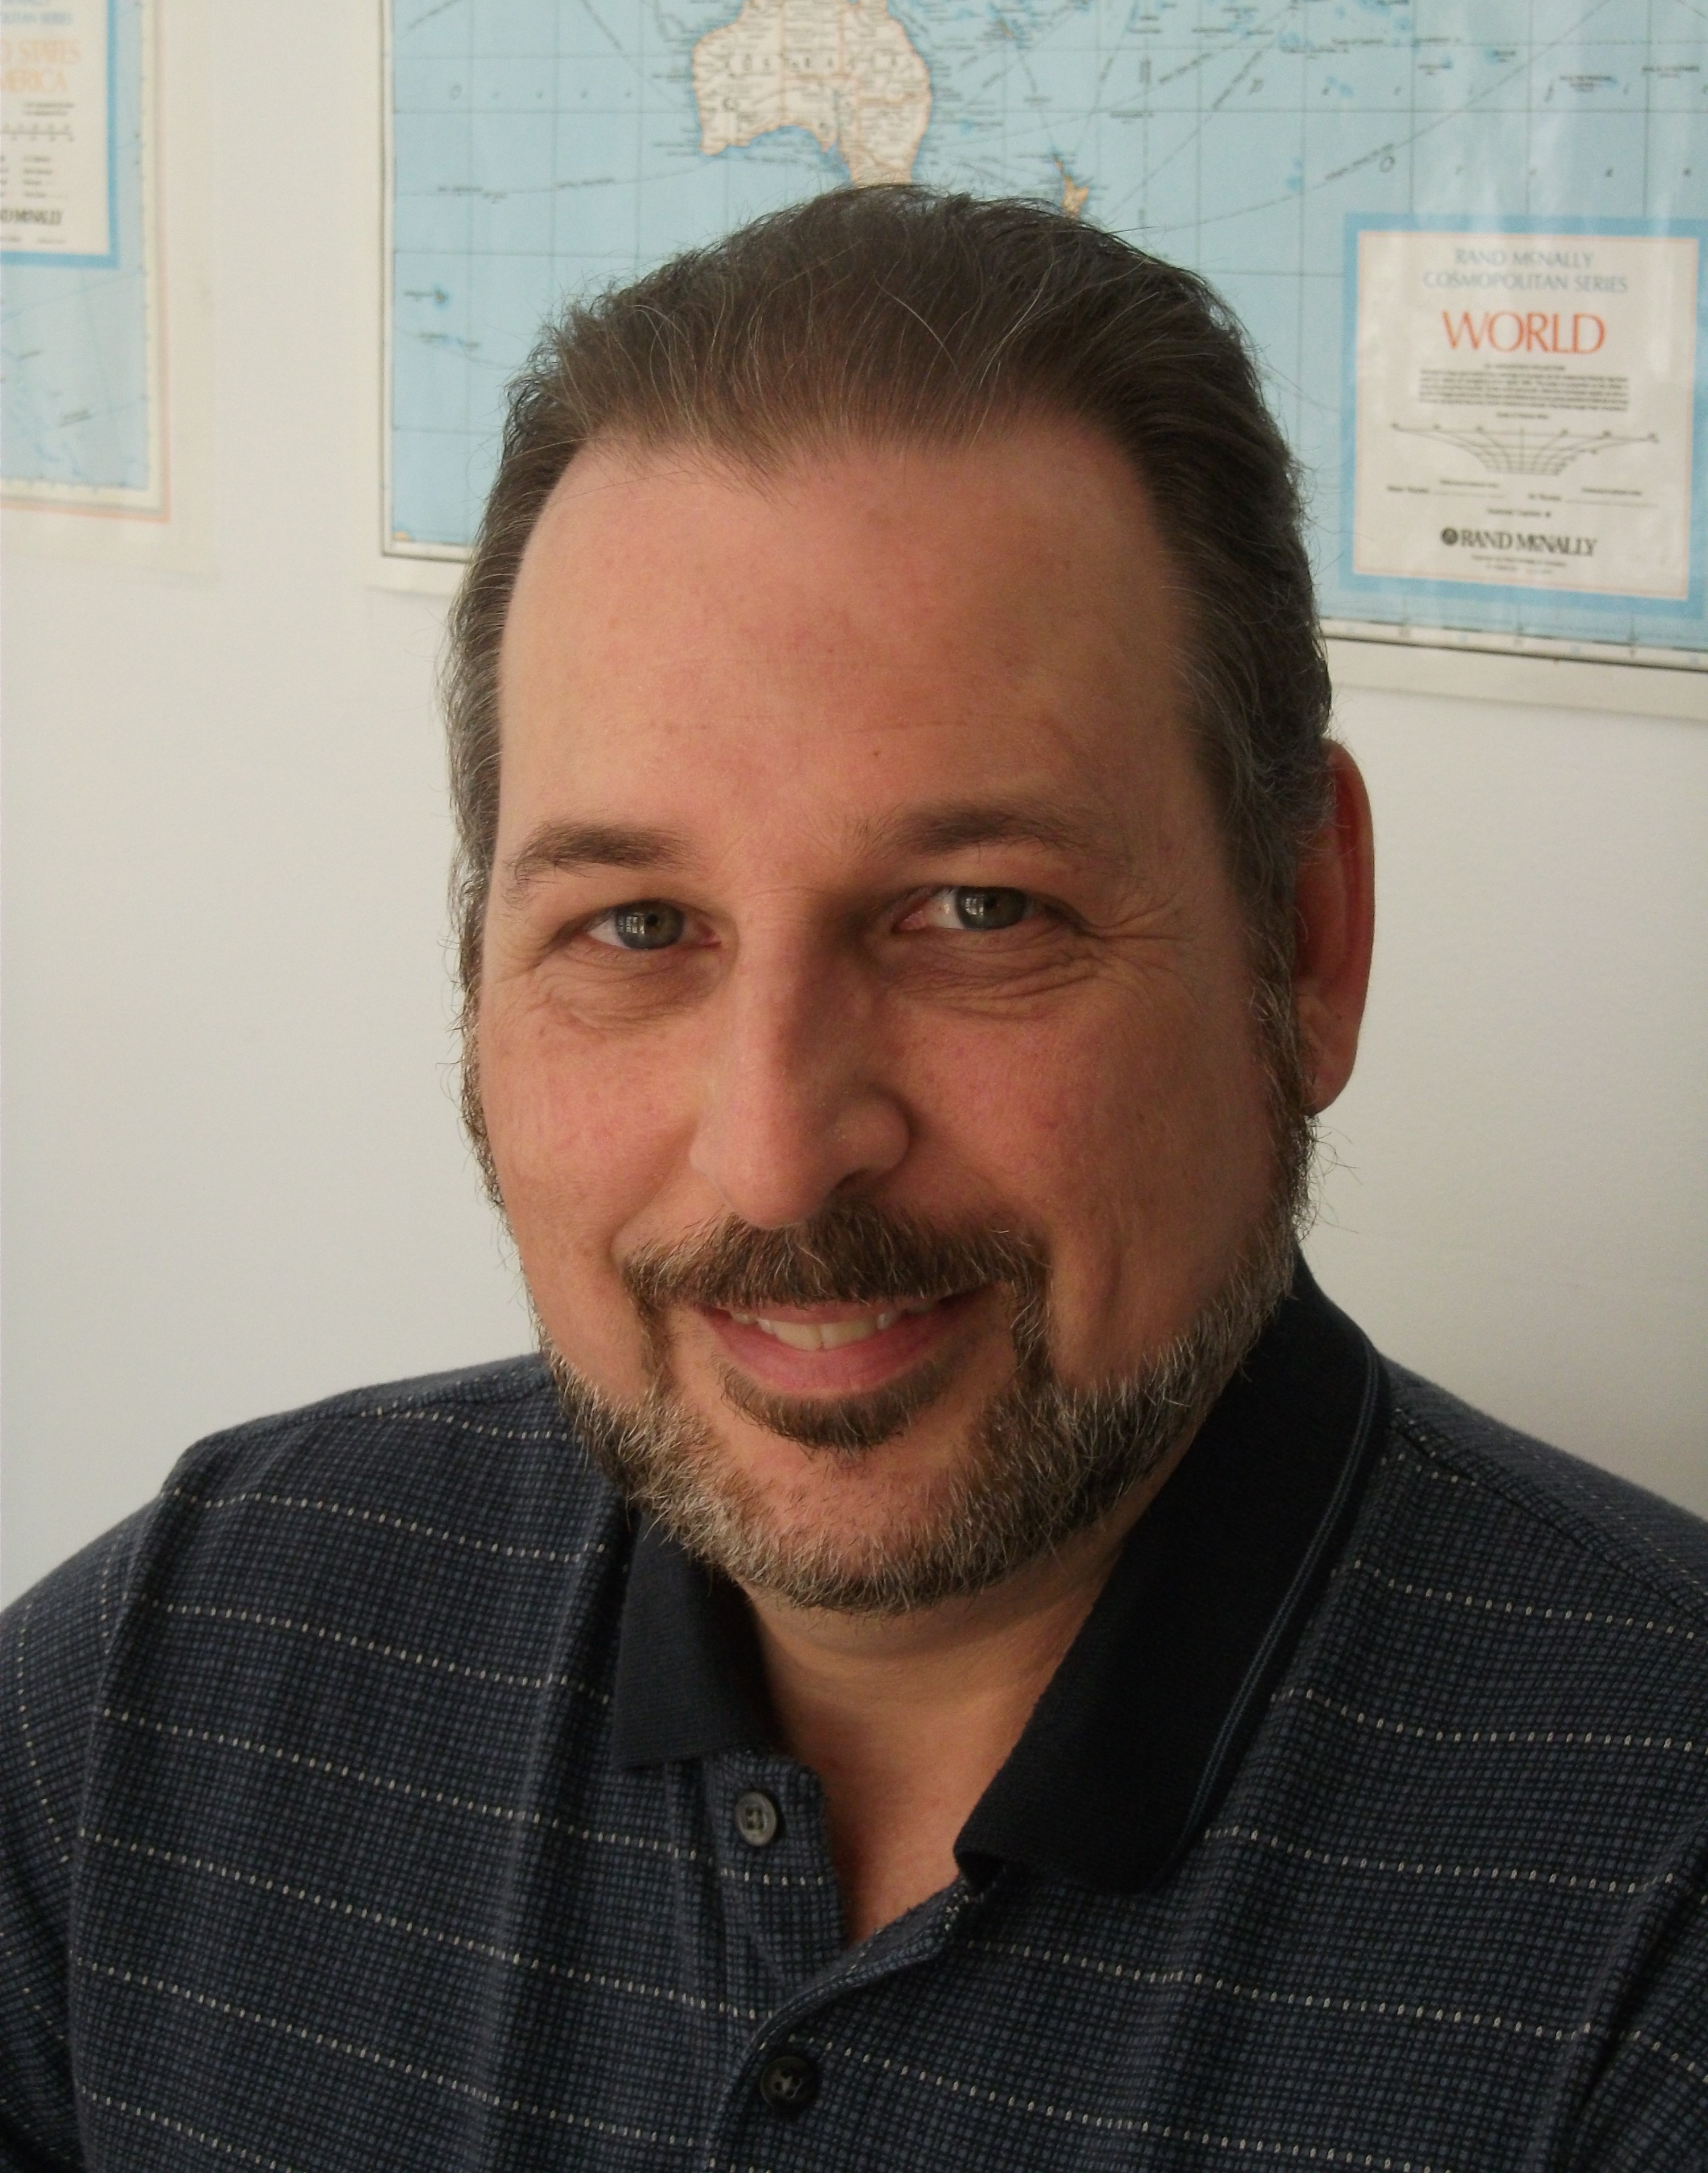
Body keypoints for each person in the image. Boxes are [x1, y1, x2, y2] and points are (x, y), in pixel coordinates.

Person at [2, 188, 1704, 2173]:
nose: (782, 1151)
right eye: (638, 928)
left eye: (977, 910)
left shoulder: (1661, 1899)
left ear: (1306, 938)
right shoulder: (177, 1674)